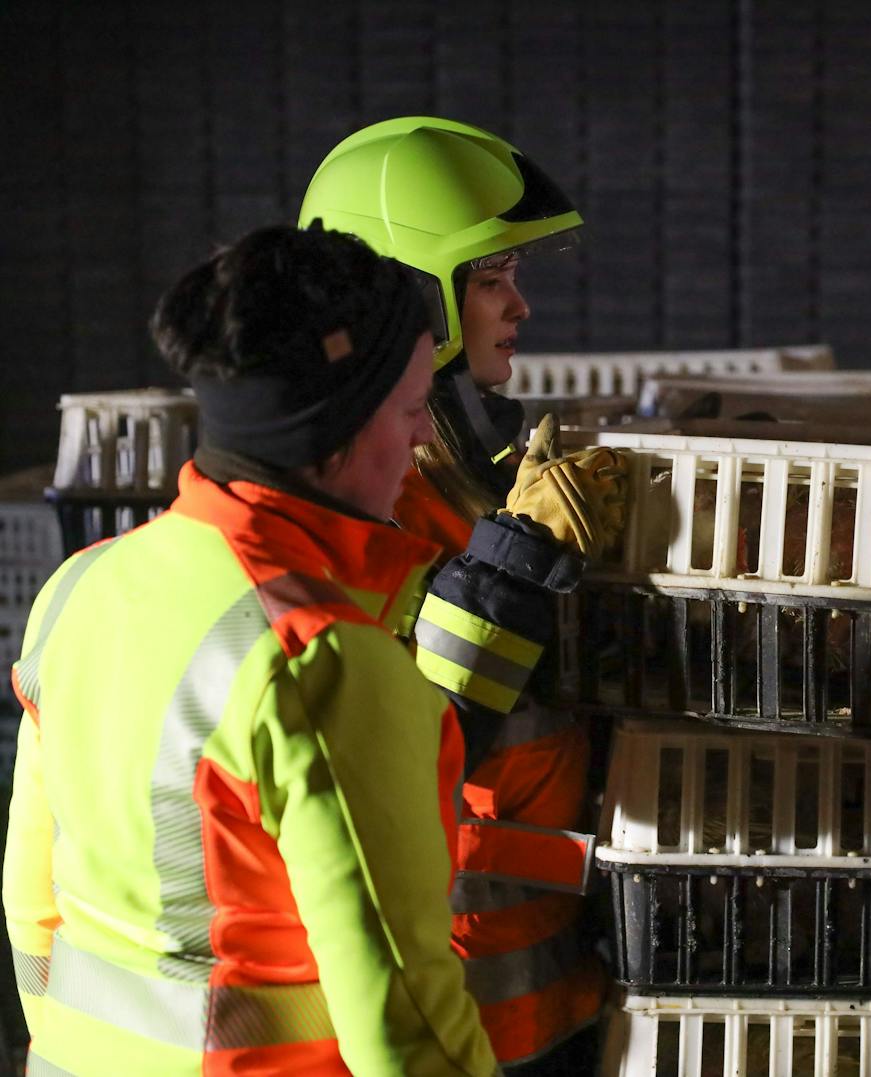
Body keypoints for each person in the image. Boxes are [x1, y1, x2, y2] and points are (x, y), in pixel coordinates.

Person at [2, 223, 611, 1073]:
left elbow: (32, 907)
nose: (417, 444)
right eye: (407, 414)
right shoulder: (319, 658)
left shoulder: (79, 589)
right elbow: (406, 1023)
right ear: (342, 432)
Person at [300, 116, 621, 1073]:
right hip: (463, 1020)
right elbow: (401, 764)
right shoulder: (374, 512)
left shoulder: (477, 480)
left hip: (550, 984)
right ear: (415, 300)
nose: (518, 306)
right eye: (491, 280)